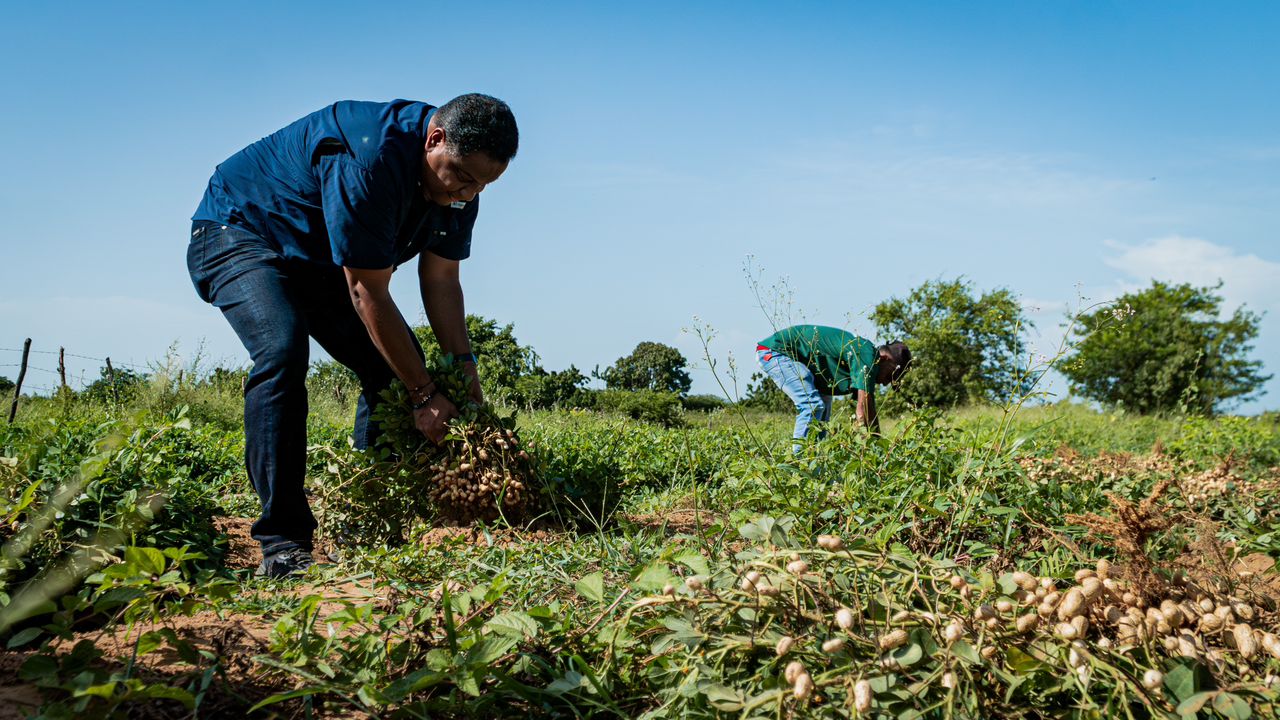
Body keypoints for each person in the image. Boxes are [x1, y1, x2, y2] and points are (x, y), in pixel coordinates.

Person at [187, 94, 518, 578]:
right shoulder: (368, 157)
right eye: (463, 177)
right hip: (240, 230)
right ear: (434, 139)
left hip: (318, 260)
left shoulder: (463, 183)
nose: (468, 194)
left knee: (390, 367)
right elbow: (367, 291)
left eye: (484, 185)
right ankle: (283, 542)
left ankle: (363, 524)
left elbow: (442, 281)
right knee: (282, 351)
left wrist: (466, 381)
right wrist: (424, 393)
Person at [756, 325, 909, 451]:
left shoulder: (866, 361)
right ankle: (799, 464)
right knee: (813, 404)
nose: (885, 383)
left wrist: (879, 448)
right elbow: (862, 415)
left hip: (805, 365)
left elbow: (870, 411)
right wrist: (875, 451)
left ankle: (815, 461)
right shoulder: (867, 355)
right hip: (776, 352)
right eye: (891, 376)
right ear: (885, 359)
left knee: (823, 410)